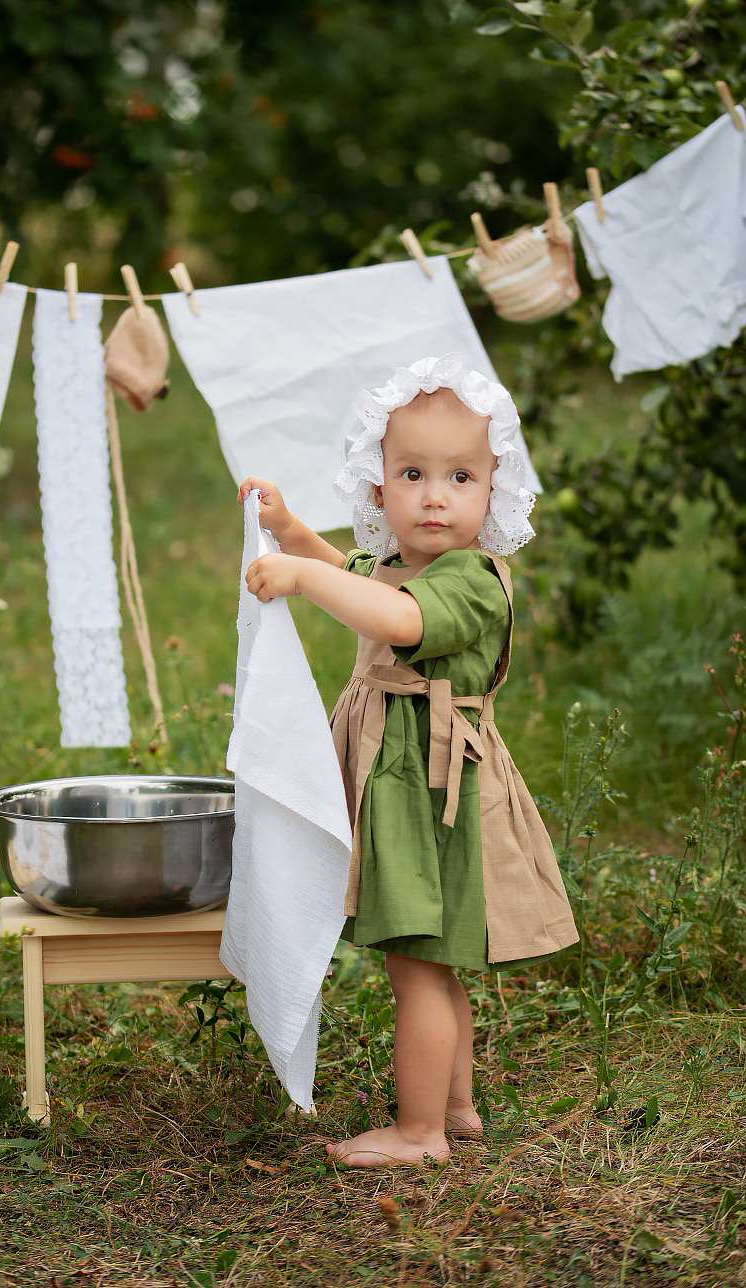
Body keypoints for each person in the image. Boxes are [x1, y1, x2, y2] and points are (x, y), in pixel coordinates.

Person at [238, 353, 577, 1169]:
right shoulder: (401, 564)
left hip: (434, 793)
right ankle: (455, 1108)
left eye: (460, 476)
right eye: (413, 473)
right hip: (405, 786)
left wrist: (299, 580)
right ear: (378, 486)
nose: (434, 495)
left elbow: (394, 620)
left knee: (420, 967)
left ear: (494, 488)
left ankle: (419, 1133)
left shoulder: (470, 583)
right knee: (433, 960)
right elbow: (356, 575)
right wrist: (292, 535)